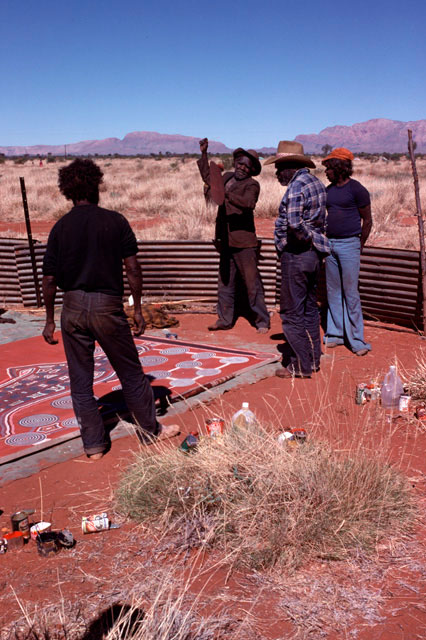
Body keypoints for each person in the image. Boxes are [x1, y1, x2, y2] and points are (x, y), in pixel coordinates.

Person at [42, 158, 179, 460]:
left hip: (72, 308)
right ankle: (149, 431)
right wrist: (138, 308)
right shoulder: (114, 221)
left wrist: (50, 320)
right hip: (107, 307)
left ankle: (93, 446)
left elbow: (50, 279)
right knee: (130, 373)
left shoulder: (60, 228)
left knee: (80, 379)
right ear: (96, 186)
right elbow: (133, 269)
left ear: (67, 191)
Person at [264, 141, 330, 378]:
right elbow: (322, 221)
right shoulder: (317, 183)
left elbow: (294, 224)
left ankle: (300, 366)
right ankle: (312, 359)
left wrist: (298, 241)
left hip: (298, 254)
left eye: (279, 168)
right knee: (310, 309)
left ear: (290, 166)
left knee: (291, 313)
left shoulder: (295, 187)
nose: (277, 173)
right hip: (313, 256)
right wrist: (314, 241)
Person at [197, 138, 270, 333]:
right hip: (225, 240)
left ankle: (262, 320)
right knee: (225, 282)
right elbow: (208, 178)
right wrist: (204, 153)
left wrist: (225, 194)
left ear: (252, 169)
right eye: (240, 164)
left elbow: (248, 203)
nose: (242, 168)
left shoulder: (252, 185)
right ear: (235, 162)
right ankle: (224, 319)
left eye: (247, 167)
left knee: (251, 282)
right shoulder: (227, 177)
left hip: (244, 242)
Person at [322, 148, 372, 356]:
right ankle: (335, 334)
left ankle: (356, 339)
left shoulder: (357, 189)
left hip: (349, 244)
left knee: (350, 293)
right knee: (333, 291)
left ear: (339, 168)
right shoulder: (328, 190)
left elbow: (367, 220)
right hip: (330, 245)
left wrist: (358, 245)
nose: (326, 172)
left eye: (329, 168)